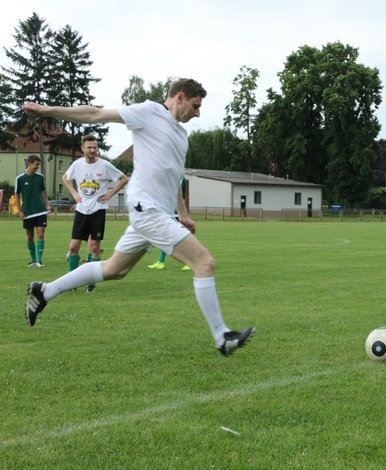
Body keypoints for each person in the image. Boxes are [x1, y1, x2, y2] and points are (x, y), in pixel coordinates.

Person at [22, 78, 254, 356]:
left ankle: (44, 291)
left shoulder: (181, 136)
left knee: (114, 270)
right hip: (148, 211)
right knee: (204, 263)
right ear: (180, 97)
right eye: (195, 106)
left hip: (157, 214)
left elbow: (174, 177)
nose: (198, 113)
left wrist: (181, 213)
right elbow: (95, 113)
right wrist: (46, 110)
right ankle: (222, 336)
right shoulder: (148, 112)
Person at [63, 134, 129, 292]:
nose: (93, 150)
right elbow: (65, 177)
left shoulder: (105, 165)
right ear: (82, 148)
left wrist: (109, 195)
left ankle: (91, 284)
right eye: (89, 147)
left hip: (98, 211)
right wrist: (74, 193)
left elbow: (124, 179)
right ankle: (72, 282)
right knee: (73, 247)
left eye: (95, 147)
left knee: (94, 247)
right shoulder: (77, 165)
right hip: (81, 210)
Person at [15, 155, 51, 268]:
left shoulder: (40, 177)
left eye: (38, 165)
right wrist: (19, 210)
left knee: (40, 234)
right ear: (29, 163)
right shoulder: (19, 179)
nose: (37, 167)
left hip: (40, 211)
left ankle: (39, 261)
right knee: (29, 237)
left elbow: (42, 192)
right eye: (36, 164)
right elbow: (16, 195)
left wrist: (47, 205)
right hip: (28, 212)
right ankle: (33, 260)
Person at [148, 178, 191, 270]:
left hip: (169, 210)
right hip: (165, 210)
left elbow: (175, 193)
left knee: (180, 233)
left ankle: (191, 260)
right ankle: (160, 262)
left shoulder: (176, 176)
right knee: (164, 236)